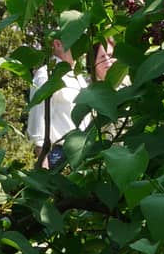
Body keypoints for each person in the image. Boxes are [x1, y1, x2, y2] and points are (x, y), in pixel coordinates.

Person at [27, 38, 112, 167]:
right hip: (59, 156)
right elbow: (37, 127)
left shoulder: (78, 76)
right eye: (74, 39)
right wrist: (44, 169)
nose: (80, 45)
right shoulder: (45, 76)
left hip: (82, 153)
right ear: (57, 44)